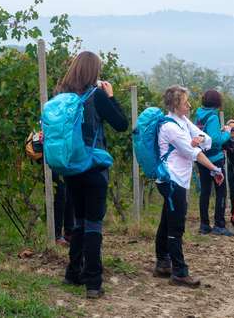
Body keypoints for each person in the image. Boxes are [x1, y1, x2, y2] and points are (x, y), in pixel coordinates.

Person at [59, 51, 129, 299]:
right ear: (94, 71)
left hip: (70, 166)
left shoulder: (62, 96)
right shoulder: (96, 95)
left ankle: (72, 272)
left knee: (78, 220)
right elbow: (121, 124)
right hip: (94, 166)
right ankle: (93, 282)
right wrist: (111, 97)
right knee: (93, 224)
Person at [153, 85, 225, 288]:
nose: (189, 105)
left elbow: (207, 140)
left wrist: (199, 139)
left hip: (177, 179)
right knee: (176, 226)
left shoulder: (183, 121)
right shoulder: (170, 127)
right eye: (185, 102)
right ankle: (179, 272)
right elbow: (193, 153)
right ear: (176, 105)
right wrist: (214, 169)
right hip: (172, 180)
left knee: (167, 220)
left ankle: (162, 263)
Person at [194, 90, 234, 236]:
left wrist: (218, 132)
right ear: (217, 102)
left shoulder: (198, 115)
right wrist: (227, 132)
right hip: (215, 159)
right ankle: (219, 224)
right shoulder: (213, 116)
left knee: (205, 192)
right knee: (221, 191)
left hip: (201, 158)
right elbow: (216, 140)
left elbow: (203, 135)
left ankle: (204, 225)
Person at [53, 172, 74, 247]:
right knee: (59, 192)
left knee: (70, 190)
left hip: (68, 161)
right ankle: (56, 235)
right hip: (51, 162)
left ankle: (69, 232)